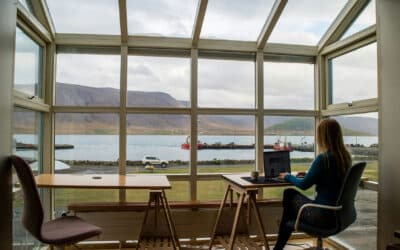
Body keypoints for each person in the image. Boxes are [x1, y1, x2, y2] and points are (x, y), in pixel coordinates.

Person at [273, 118, 352, 250]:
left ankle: (281, 239)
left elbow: (303, 185)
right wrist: (310, 174)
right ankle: (286, 229)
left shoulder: (324, 158)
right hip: (341, 215)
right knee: (289, 215)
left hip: (323, 215)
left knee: (289, 194)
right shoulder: (346, 158)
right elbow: (331, 178)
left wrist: (288, 176)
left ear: (323, 136)